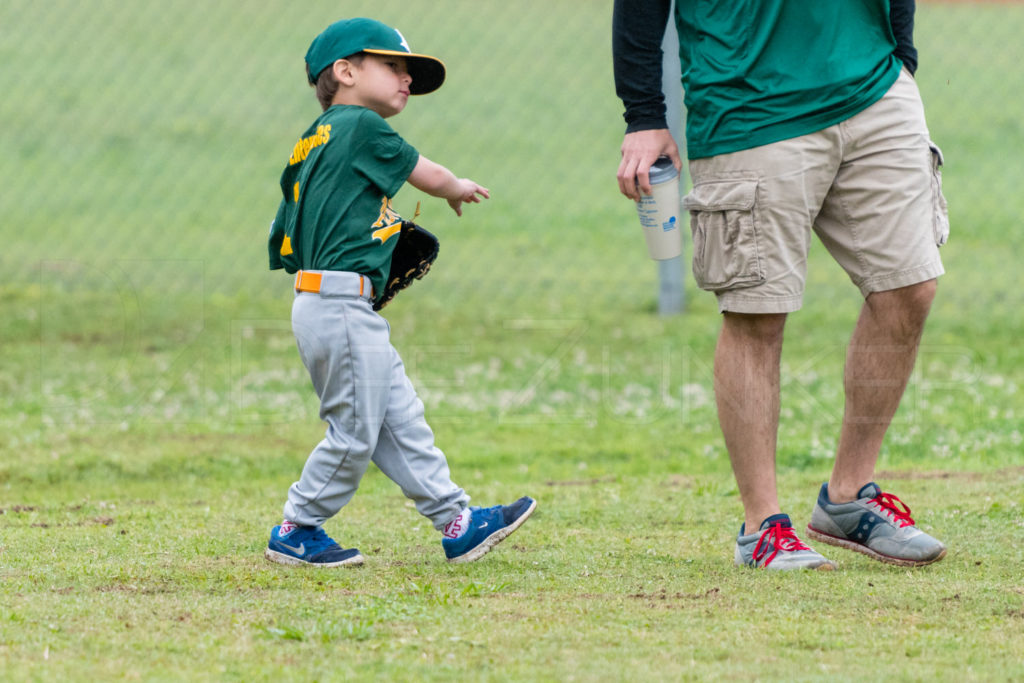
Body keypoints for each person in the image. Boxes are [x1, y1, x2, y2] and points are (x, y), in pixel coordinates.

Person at [613, 0, 948, 570]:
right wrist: (644, 114)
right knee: (756, 311)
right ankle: (762, 527)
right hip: (749, 105)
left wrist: (903, 59)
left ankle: (849, 496)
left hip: (875, 86)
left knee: (909, 287)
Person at [264, 17, 535, 567]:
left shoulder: (310, 144)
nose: (405, 78)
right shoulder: (361, 126)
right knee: (355, 432)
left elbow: (283, 236)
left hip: (328, 300)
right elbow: (424, 173)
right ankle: (298, 525)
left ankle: (456, 521)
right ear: (344, 72)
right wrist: (455, 187)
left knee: (397, 416)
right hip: (339, 305)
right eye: (392, 66)